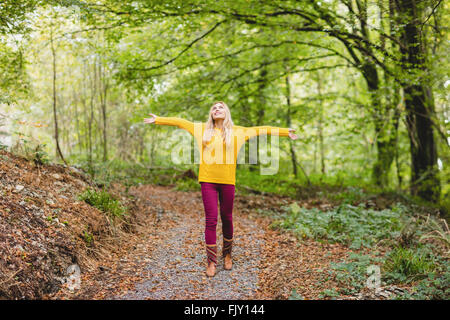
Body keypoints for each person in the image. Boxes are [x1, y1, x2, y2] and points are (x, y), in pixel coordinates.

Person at [143, 101, 298, 277]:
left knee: (227, 218)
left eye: (220, 107)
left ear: (226, 112)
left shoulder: (238, 131)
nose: (217, 109)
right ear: (211, 114)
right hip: (207, 180)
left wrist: (285, 132)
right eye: (214, 108)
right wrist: (158, 120)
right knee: (211, 220)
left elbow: (262, 129)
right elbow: (180, 122)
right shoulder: (202, 129)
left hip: (228, 181)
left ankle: (228, 255)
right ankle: (211, 262)